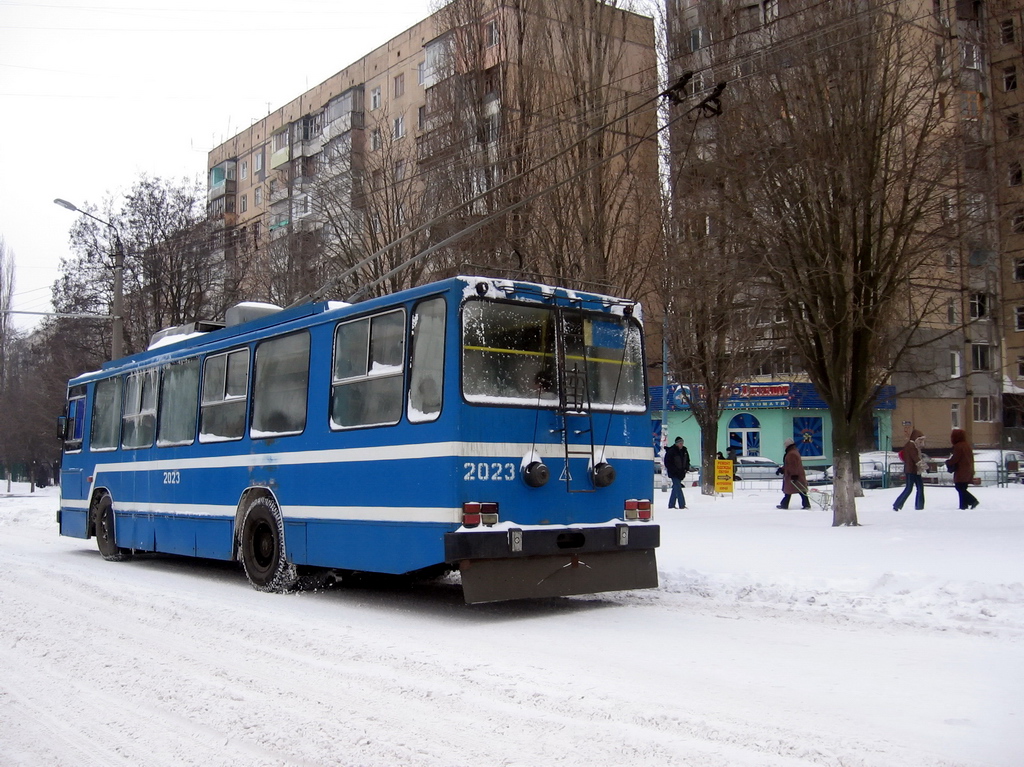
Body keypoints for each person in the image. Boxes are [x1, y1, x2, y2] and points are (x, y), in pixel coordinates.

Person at [893, 429, 926, 511]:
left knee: (917, 488)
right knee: (910, 488)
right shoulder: (911, 446)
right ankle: (898, 504)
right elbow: (916, 458)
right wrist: (925, 467)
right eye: (920, 440)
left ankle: (919, 506)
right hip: (911, 471)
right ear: (916, 438)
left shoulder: (912, 445)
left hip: (914, 470)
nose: (921, 442)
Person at [947, 428, 979, 509]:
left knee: (959, 487)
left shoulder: (958, 446)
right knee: (963, 487)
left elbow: (955, 459)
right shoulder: (967, 445)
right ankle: (963, 506)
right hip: (968, 469)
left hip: (961, 470)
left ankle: (972, 501)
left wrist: (948, 462)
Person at [777, 438, 811, 509]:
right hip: (794, 474)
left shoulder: (791, 454)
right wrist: (782, 469)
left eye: (785, 445)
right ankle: (805, 504)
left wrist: (794, 475)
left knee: (794, 490)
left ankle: (785, 505)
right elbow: (788, 465)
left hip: (793, 475)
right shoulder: (793, 452)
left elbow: (793, 465)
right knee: (799, 490)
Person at [664, 436, 691, 509]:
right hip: (674, 473)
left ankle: (671, 505)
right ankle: (682, 505)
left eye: (682, 443)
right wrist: (674, 470)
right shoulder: (672, 451)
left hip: (681, 473)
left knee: (676, 488)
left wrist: (686, 469)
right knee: (678, 487)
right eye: (680, 443)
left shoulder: (684, 451)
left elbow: (687, 461)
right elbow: (668, 463)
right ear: (676, 444)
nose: (681, 444)